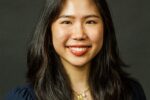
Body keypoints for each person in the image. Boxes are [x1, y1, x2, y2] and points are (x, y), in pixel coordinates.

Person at [6, 0, 146, 100]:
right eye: (66, 22)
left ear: (105, 28)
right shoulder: (21, 98)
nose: (79, 35)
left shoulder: (131, 93)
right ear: (48, 31)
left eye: (90, 21)